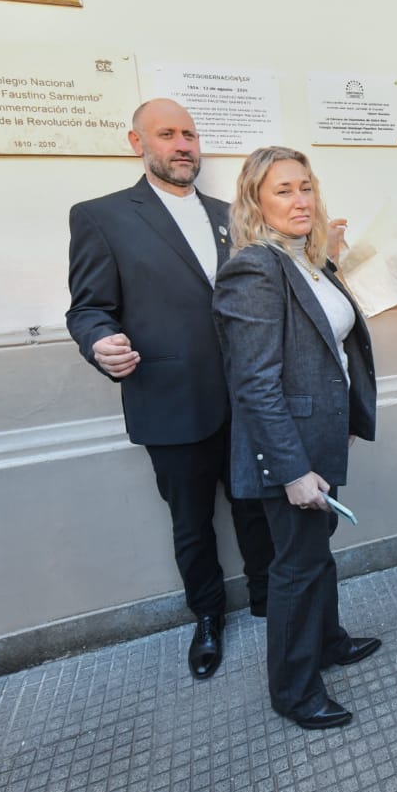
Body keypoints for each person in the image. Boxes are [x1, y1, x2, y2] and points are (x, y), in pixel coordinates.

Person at [65, 98, 273, 681]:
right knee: (191, 522)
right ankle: (207, 617)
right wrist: (99, 341)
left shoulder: (234, 214)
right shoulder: (102, 216)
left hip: (247, 398)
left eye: (189, 133)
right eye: (167, 134)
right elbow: (89, 308)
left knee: (256, 506)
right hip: (169, 398)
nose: (183, 144)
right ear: (137, 143)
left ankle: (268, 597)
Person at [213, 146, 380, 730]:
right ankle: (294, 689)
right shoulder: (255, 267)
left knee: (316, 555)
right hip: (290, 453)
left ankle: (328, 640)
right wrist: (291, 471)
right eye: (283, 190)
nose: (300, 199)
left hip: (319, 439)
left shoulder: (305, 259)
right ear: (255, 200)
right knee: (296, 569)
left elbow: (329, 348)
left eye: (305, 186)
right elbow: (254, 384)